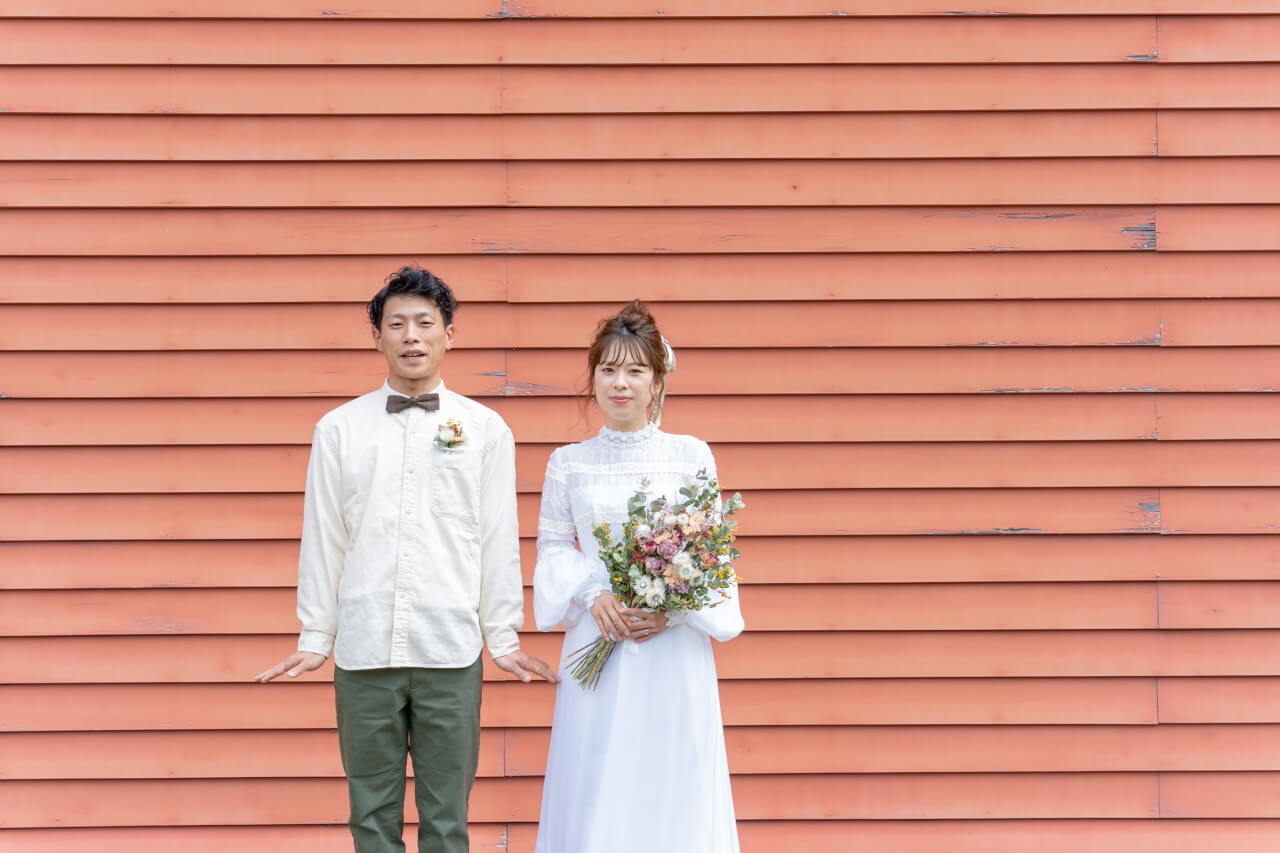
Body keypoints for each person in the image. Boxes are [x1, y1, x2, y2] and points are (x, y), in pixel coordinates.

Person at [255, 265, 557, 853]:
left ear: (449, 334)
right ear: (378, 337)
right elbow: (324, 537)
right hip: (365, 649)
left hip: (451, 650)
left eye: (425, 323)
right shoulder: (339, 429)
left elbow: (496, 538)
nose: (412, 336)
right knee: (371, 816)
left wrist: (502, 636)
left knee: (447, 818)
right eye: (396, 324)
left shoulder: (485, 429)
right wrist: (316, 635)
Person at [531, 301, 745, 853]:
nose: (620, 383)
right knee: (597, 770)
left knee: (670, 770)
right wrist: (591, 592)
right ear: (593, 379)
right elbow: (553, 547)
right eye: (608, 369)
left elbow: (710, 548)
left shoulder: (690, 455)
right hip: (598, 636)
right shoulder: (567, 463)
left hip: (670, 642)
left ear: (657, 380)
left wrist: (672, 608)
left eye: (634, 370)